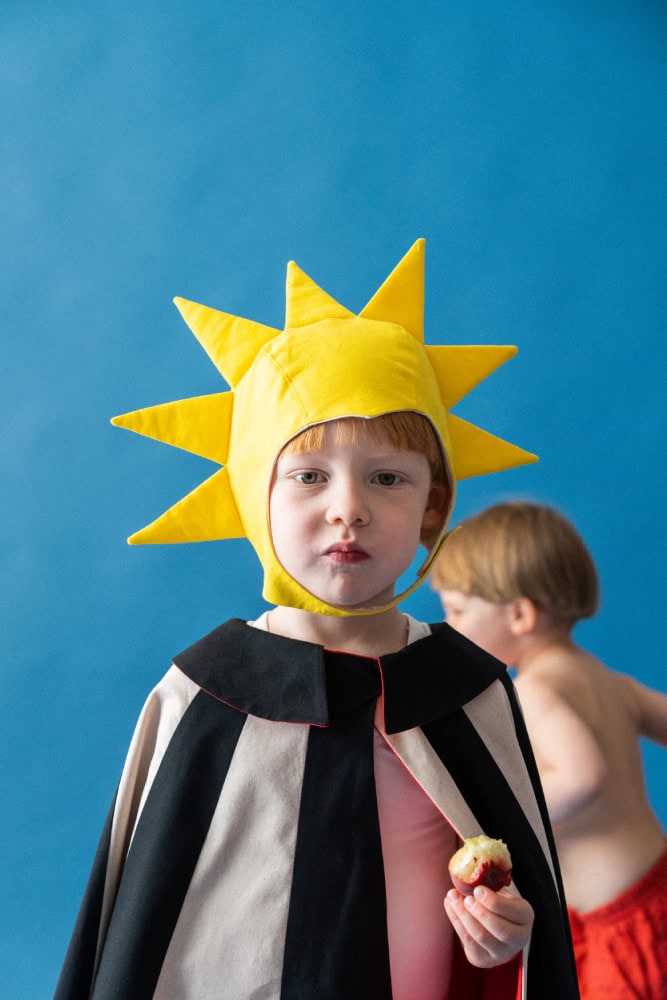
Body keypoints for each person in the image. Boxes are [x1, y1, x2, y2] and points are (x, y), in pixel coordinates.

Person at [55, 241, 579, 999]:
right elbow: (149, 931)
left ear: (434, 505)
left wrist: (509, 934)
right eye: (306, 476)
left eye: (388, 478)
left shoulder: (468, 692)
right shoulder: (202, 697)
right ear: (252, 500)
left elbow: (520, 933)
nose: (348, 508)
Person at [433, 500, 667, 999]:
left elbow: (583, 778)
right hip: (648, 896)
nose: (447, 626)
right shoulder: (608, 679)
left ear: (519, 614)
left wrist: (492, 822)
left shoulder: (535, 688)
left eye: (456, 610)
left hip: (621, 923)